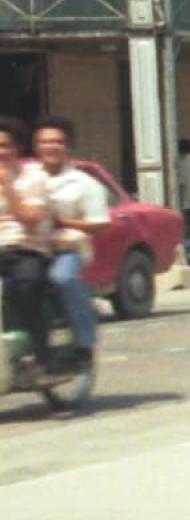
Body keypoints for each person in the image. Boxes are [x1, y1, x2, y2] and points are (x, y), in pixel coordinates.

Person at [24, 116, 105, 374]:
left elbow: (100, 224)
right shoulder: (24, 177)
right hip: (27, 247)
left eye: (57, 141)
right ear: (36, 146)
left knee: (62, 278)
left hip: (67, 249)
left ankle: (84, 343)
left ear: (67, 146)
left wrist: (65, 221)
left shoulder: (83, 183)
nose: (51, 146)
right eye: (45, 142)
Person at [0, 116, 57, 373]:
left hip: (26, 249)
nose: (1, 152)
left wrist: (8, 186)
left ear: (17, 148)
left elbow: (31, 220)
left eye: (6, 145)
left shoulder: (34, 177)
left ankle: (42, 356)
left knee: (27, 287)